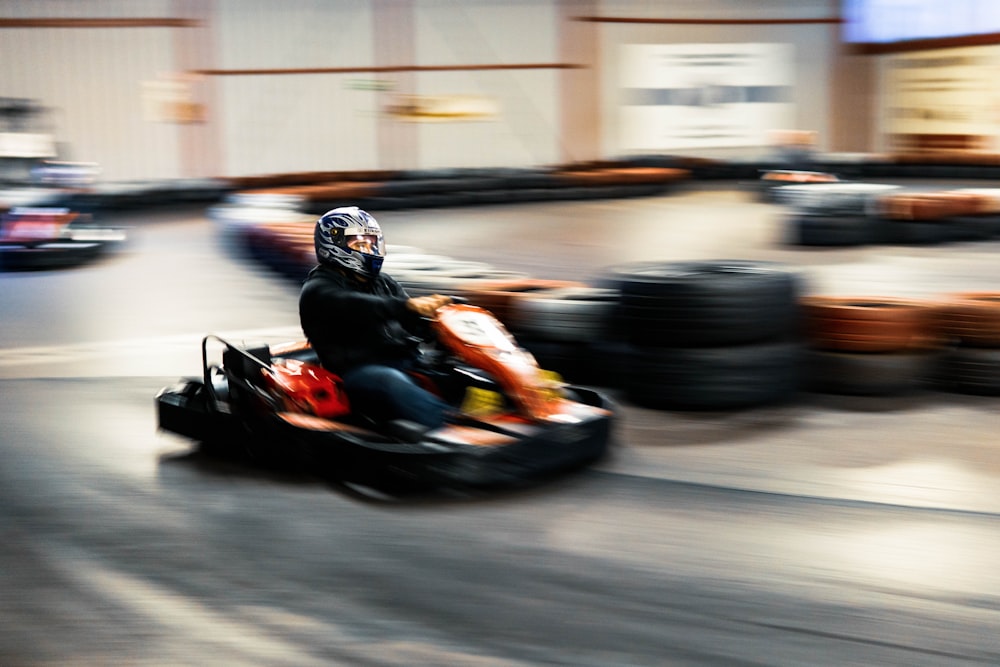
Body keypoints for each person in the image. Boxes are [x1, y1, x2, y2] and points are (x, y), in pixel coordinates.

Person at [298, 206, 454, 430]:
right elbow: (357, 306)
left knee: (456, 373)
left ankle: (490, 419)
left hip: (406, 362)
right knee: (389, 382)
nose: (368, 249)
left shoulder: (384, 282)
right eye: (359, 244)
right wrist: (407, 306)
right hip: (357, 372)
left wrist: (440, 325)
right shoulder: (319, 289)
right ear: (334, 246)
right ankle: (447, 431)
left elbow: (413, 323)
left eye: (371, 242)